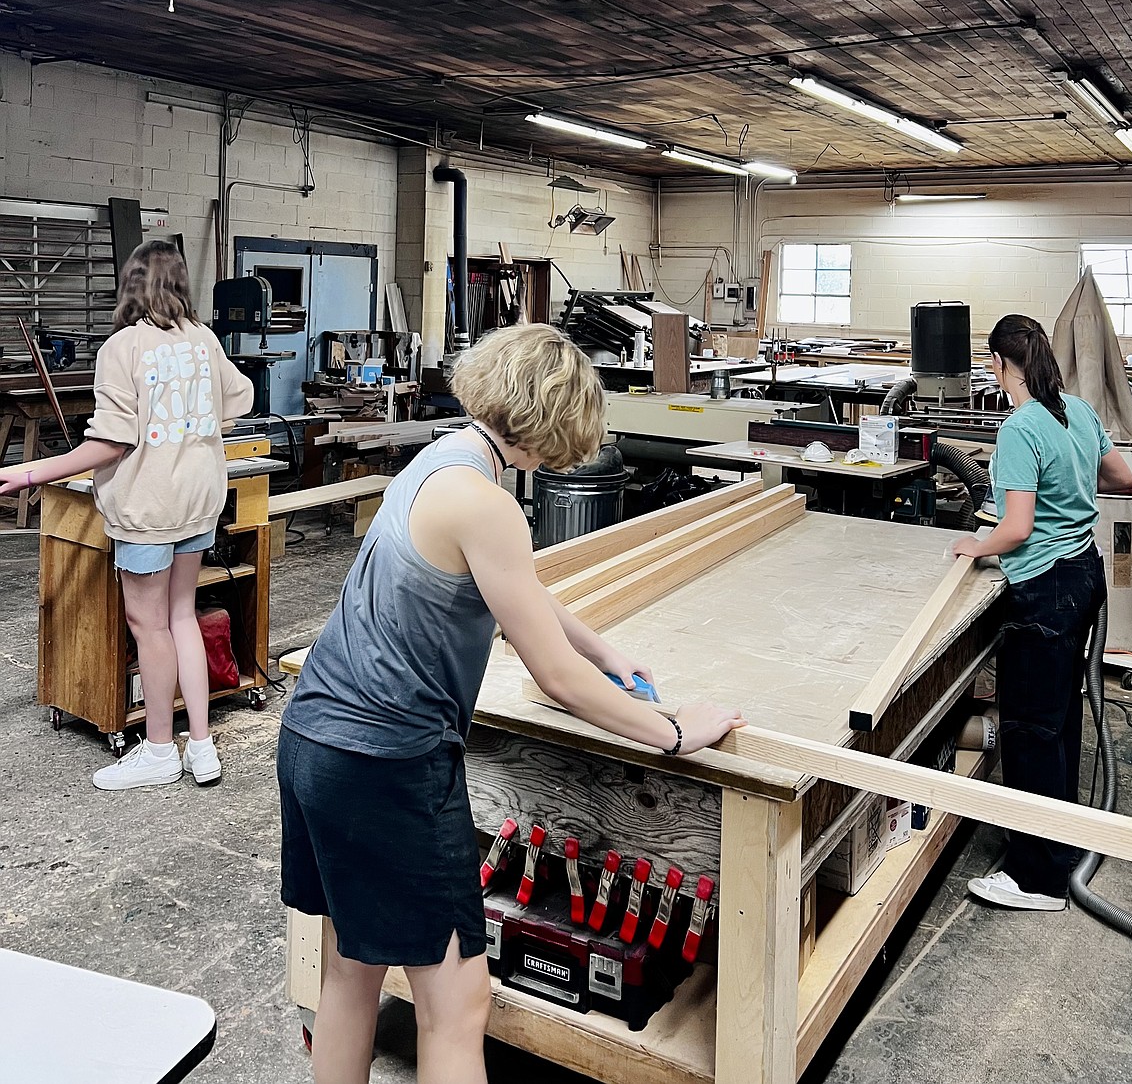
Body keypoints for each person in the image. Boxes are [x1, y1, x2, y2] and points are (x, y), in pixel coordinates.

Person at [278, 323, 746, 1084]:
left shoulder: (441, 461)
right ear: (551, 421)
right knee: (458, 1006)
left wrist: (604, 649)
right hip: (387, 764)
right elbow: (554, 679)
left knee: (350, 971)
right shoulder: (490, 504)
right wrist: (672, 730)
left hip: (311, 741)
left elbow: (515, 589)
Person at [0, 240, 253, 790]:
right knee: (183, 616)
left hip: (147, 508)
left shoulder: (124, 347)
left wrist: (29, 473)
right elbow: (241, 399)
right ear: (181, 283)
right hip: (197, 500)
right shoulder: (204, 340)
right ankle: (202, 749)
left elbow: (112, 441)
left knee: (150, 626)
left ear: (131, 284)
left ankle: (161, 750)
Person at [953, 314, 1132, 911]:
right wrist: (1076, 477)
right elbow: (1122, 474)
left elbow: (1018, 528)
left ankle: (1037, 878)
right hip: (1084, 573)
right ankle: (1063, 839)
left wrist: (978, 544)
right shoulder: (1077, 410)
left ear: (1003, 365)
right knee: (1060, 718)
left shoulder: (1019, 428)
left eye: (991, 364)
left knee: (1030, 729)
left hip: (1045, 588)